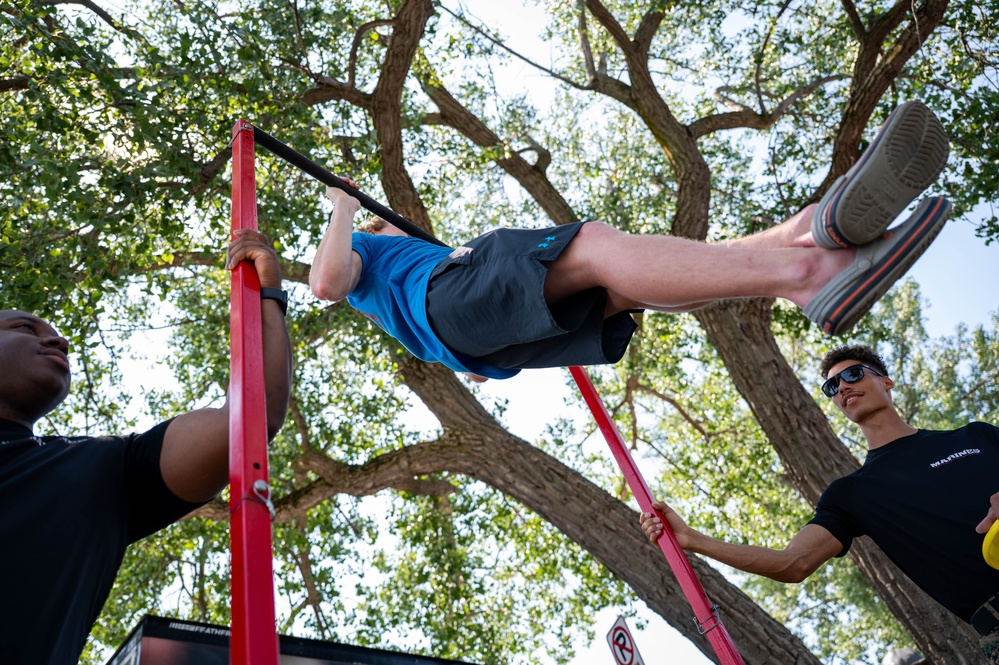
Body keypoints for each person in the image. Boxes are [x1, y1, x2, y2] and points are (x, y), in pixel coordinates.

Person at [310, 101, 952, 381]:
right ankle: (805, 271)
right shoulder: (365, 246)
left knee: (618, 283)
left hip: (473, 335)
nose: (386, 213)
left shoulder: (414, 272)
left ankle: (805, 238)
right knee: (590, 245)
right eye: (378, 213)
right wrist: (343, 206)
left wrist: (466, 352)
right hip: (451, 306)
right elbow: (326, 284)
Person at [0, 230, 293, 665]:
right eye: (26, 327)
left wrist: (266, 292)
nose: (59, 341)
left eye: (59, 336)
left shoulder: (98, 470)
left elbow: (249, 420)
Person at [639, 344, 999, 663]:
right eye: (832, 386)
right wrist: (691, 540)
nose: (842, 386)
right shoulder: (853, 493)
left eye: (853, 374)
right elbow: (791, 564)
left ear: (886, 382)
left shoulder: (976, 435)